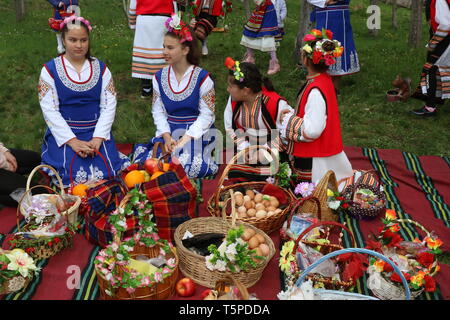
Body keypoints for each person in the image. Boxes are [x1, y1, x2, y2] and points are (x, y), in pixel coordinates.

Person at [38, 16, 130, 187]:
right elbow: (50, 110)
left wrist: (98, 138)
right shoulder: (50, 70)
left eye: (83, 40)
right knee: (71, 173)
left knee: (106, 172)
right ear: (63, 40)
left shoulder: (101, 69)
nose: (79, 45)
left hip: (96, 130)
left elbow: (109, 105)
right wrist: (72, 142)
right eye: (73, 40)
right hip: (65, 133)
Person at [131, 14, 218, 179]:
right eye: (164, 47)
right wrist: (166, 135)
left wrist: (185, 139)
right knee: (150, 162)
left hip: (195, 133)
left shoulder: (202, 78)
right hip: (170, 132)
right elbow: (157, 111)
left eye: (170, 48)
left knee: (185, 165)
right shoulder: (159, 77)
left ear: (185, 50)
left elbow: (207, 115)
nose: (164, 52)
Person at [279, 29, 353, 186]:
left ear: (306, 60)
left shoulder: (315, 89)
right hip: (324, 150)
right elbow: (317, 114)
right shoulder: (324, 80)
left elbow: (313, 130)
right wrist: (295, 113)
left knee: (311, 193)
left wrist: (288, 119)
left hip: (315, 159)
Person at [223, 58, 292, 181]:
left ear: (245, 90)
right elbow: (230, 128)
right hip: (247, 151)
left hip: (273, 151)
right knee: (234, 173)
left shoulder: (275, 103)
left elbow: (285, 135)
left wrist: (264, 152)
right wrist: (245, 148)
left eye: (230, 86)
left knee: (272, 176)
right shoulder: (234, 100)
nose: (228, 90)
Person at [129, 0, 180, 99]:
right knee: (162, 50)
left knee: (145, 52)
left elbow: (133, 5)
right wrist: (176, 23)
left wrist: (132, 23)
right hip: (163, 19)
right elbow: (173, 3)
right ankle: (163, 83)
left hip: (144, 19)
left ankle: (146, 86)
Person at [307, 0, 360, 92]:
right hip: (324, 15)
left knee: (340, 45)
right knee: (323, 46)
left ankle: (335, 87)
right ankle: (321, 85)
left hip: (341, 17)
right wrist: (326, 1)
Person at [411, 0, 450, 117]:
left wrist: (433, 43)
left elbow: (446, 24)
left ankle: (430, 107)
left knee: (430, 69)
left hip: (446, 40)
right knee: (442, 69)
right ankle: (436, 100)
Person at [241, 0, 281, 75]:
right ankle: (250, 57)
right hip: (260, 8)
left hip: (268, 9)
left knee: (268, 34)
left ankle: (275, 63)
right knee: (249, 30)